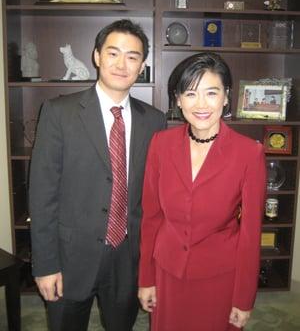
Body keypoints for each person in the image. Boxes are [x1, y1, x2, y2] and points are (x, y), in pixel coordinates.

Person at [29, 19, 166, 331]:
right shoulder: (58, 112)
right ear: (96, 56)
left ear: (142, 65)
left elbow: (156, 197)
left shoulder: (155, 122)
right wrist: (46, 265)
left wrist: (152, 267)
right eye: (113, 53)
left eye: (132, 57)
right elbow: (42, 195)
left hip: (127, 259)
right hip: (70, 257)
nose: (121, 64)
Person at [138, 52, 266, 331]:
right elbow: (151, 217)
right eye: (191, 94)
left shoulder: (248, 153)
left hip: (219, 277)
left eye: (211, 93)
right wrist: (146, 278)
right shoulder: (160, 144)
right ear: (178, 99)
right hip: (167, 272)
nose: (201, 104)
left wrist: (244, 298)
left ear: (226, 96)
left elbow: (250, 233)